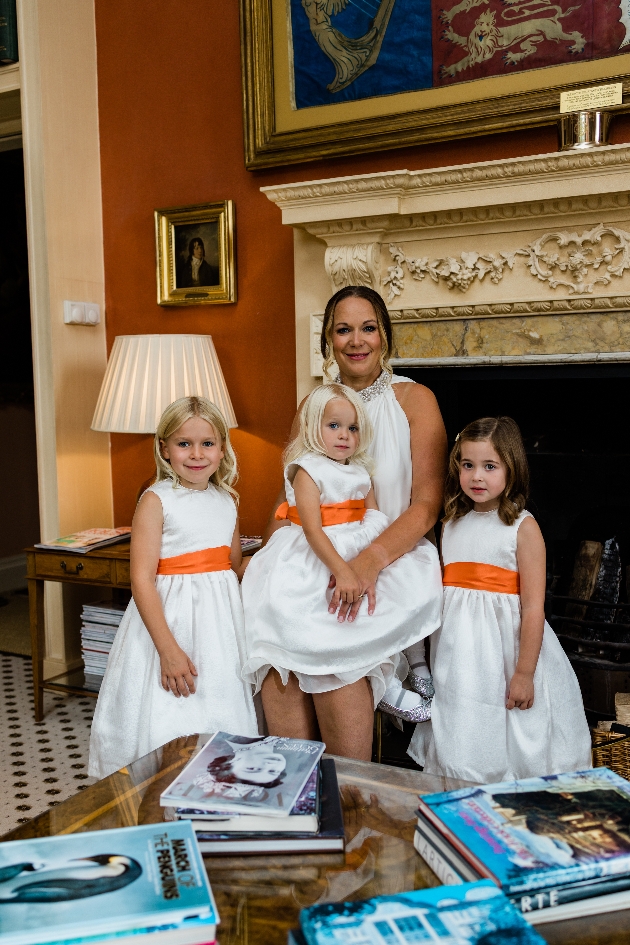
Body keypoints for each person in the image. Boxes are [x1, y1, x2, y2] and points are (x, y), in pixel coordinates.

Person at [262, 286, 446, 756]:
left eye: (368, 328)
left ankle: (353, 795)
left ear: (385, 336)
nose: (356, 340)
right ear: (328, 340)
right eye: (343, 329)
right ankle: (295, 802)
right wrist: (264, 566)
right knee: (273, 652)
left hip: (388, 556)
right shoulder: (314, 407)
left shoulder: (416, 401)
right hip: (316, 559)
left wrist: (368, 563)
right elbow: (292, 499)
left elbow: (426, 506)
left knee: (333, 655)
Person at [89, 396, 258, 779]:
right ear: (165, 448)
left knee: (218, 704)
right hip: (171, 622)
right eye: (184, 444)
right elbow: (140, 579)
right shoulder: (156, 500)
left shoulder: (226, 499)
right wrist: (167, 650)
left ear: (222, 449)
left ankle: (215, 788)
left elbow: (232, 565)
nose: (196, 454)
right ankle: (160, 791)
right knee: (172, 712)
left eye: (207, 443)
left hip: (219, 628)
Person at [418, 416, 591, 782]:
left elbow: (532, 607)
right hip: (460, 657)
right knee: (464, 725)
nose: (476, 476)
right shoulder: (450, 522)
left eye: (489, 466)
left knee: (512, 729)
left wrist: (525, 672)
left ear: (512, 469)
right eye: (468, 465)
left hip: (508, 655)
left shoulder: (522, 527)